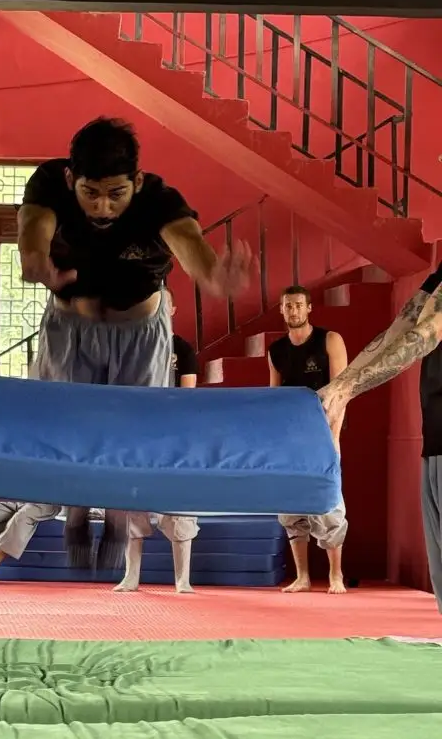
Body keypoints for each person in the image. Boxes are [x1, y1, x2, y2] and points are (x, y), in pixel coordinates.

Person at [18, 117, 252, 569]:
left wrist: (212, 274)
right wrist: (34, 259)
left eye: (116, 194)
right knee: (71, 424)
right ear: (70, 178)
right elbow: (33, 228)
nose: (103, 207)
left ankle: (120, 517)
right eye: (90, 193)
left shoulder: (159, 201)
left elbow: (190, 244)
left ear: (137, 182)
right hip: (72, 328)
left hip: (139, 333)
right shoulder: (49, 183)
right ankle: (76, 514)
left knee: (131, 427)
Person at [318, 263, 442, 611]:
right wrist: (339, 386)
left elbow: (424, 336)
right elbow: (398, 332)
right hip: (434, 442)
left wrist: (349, 388)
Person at [268, 285, 349, 594]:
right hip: (290, 440)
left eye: (299, 305)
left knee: (328, 504)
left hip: (322, 436)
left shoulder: (330, 340)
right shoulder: (276, 350)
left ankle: (335, 575)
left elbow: (341, 393)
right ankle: (302, 577)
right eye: (288, 305)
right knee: (290, 508)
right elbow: (274, 399)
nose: (294, 310)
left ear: (309, 308)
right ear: (282, 309)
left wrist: (333, 438)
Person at [166, 289, 199, 387]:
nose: (159, 309)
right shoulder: (139, 346)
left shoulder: (184, 350)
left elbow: (187, 393)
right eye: (156, 304)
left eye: (164, 304)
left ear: (172, 310)